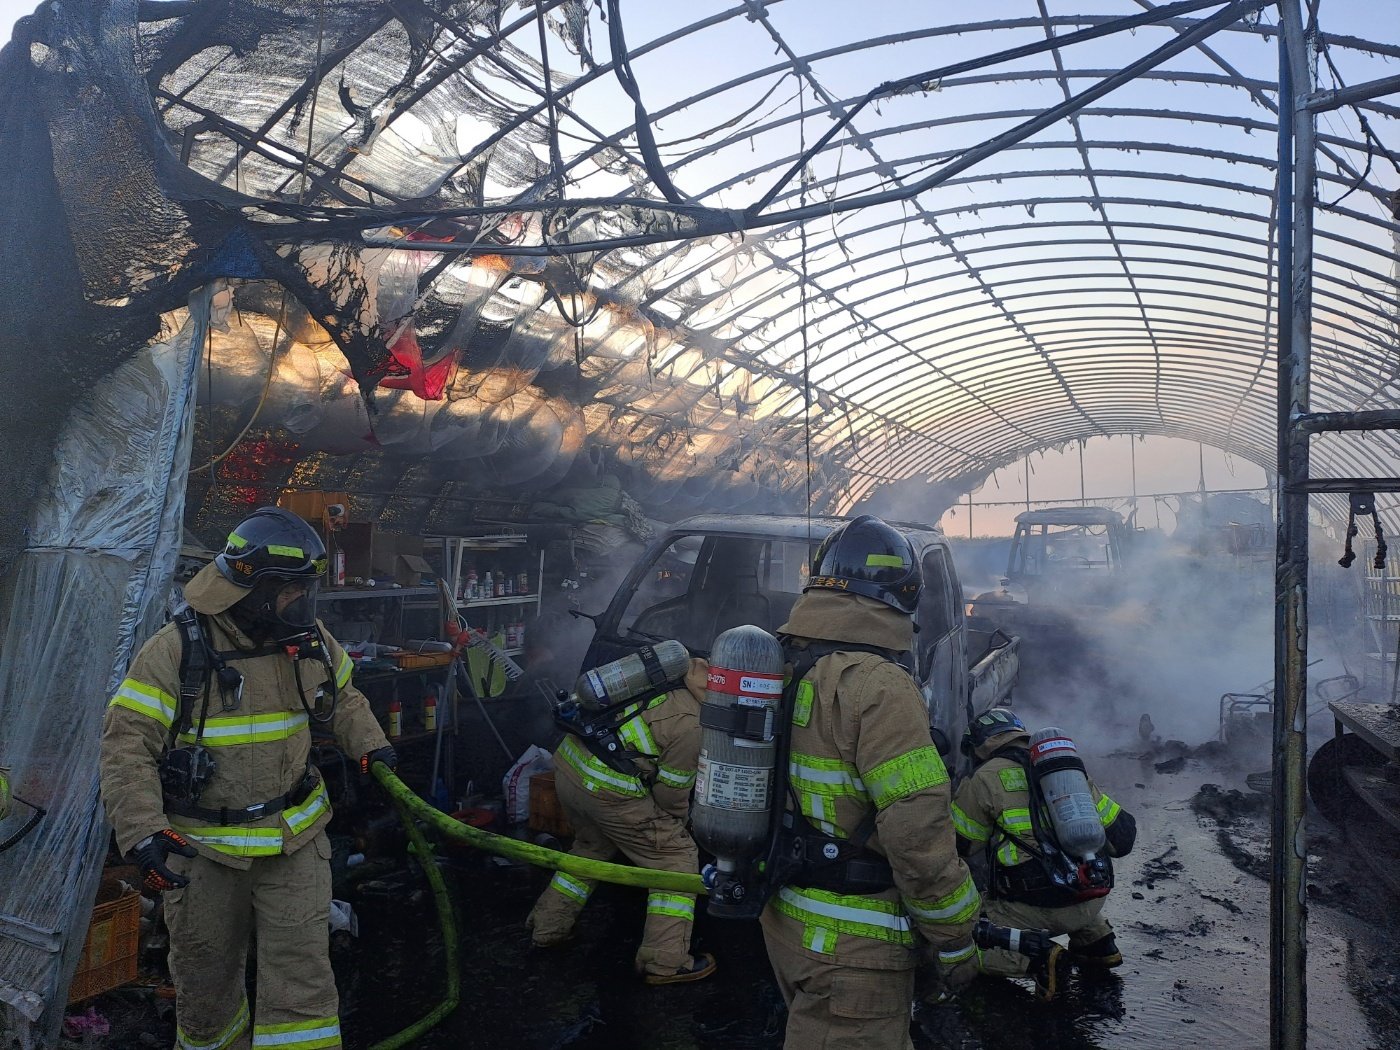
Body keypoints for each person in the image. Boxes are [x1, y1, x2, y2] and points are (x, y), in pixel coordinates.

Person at [100, 507, 396, 1050]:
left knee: (302, 985)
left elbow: (345, 700)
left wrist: (374, 750)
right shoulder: (175, 650)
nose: (306, 604)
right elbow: (127, 743)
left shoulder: (308, 637)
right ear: (254, 590)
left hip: (295, 840)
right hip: (205, 854)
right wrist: (142, 831)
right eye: (294, 591)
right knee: (205, 987)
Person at [761, 515, 981, 1050]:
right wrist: (955, 939)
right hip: (855, 941)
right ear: (903, 594)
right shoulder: (879, 684)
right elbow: (917, 833)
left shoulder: (781, 661)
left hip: (788, 920)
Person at [526, 655, 714, 984]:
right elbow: (671, 796)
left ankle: (548, 926)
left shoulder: (668, 673)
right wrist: (679, 828)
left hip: (570, 769)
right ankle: (666, 960)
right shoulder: (692, 724)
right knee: (675, 857)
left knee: (590, 848)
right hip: (607, 790)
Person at [949, 708, 1137, 1001]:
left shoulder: (984, 777)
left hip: (1033, 909)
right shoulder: (1065, 772)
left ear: (978, 747)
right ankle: (1098, 944)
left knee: (963, 935)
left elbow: (962, 846)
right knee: (1071, 873)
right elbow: (1121, 838)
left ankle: (1038, 959)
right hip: (1090, 897)